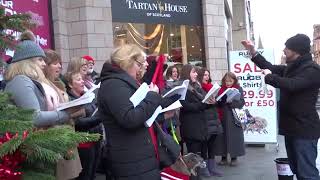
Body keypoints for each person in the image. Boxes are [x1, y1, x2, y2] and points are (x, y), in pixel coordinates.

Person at [4, 30, 83, 179]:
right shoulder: (21, 80)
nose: (43, 64)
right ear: (27, 61)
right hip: (30, 153)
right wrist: (65, 114)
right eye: (40, 60)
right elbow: (35, 117)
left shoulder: (26, 80)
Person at [241, 34, 320, 180]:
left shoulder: (312, 70)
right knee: (297, 169)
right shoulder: (291, 68)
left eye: (287, 48)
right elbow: (268, 66)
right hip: (292, 128)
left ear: (296, 51)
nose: (284, 50)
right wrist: (253, 52)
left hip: (304, 130)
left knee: (307, 173)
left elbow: (292, 85)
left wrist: (270, 77)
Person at [97, 44, 177, 180]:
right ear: (128, 62)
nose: (142, 67)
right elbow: (130, 118)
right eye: (139, 64)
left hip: (139, 156)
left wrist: (165, 110)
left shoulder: (123, 82)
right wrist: (152, 96)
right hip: (131, 160)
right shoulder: (114, 84)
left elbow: (141, 113)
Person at [179, 64, 222, 177]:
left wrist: (210, 102)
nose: (196, 74)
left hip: (200, 127)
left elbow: (202, 104)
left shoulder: (196, 86)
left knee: (199, 156)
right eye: (194, 72)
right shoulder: (183, 88)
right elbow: (187, 107)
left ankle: (200, 174)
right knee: (193, 158)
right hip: (191, 128)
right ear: (187, 73)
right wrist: (204, 103)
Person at [64, 71, 103, 180]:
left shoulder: (86, 96)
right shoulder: (70, 100)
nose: (82, 82)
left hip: (94, 140)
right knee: (84, 175)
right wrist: (100, 118)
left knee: (92, 174)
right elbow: (78, 123)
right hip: (83, 144)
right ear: (70, 85)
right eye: (78, 80)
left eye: (82, 79)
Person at [214, 72, 245, 166]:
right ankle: (223, 157)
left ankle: (234, 157)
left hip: (233, 117)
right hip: (222, 116)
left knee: (233, 137)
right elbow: (217, 103)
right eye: (226, 81)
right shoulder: (220, 89)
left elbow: (241, 103)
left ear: (234, 80)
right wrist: (219, 101)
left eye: (230, 81)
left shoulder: (238, 89)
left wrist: (231, 102)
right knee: (221, 137)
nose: (228, 83)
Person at [197, 67, 223, 176]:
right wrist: (209, 103)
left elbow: (218, 104)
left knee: (212, 145)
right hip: (205, 120)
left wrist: (216, 101)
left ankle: (212, 167)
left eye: (208, 75)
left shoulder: (212, 87)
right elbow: (200, 105)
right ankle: (205, 168)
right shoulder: (198, 88)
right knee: (204, 146)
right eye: (204, 75)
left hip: (214, 119)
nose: (206, 77)